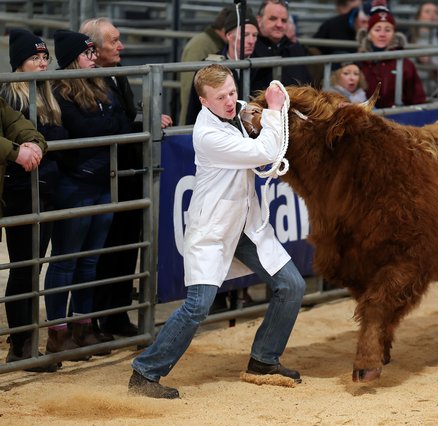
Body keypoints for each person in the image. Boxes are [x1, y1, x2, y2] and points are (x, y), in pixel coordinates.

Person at [128, 64, 306, 399]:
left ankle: (264, 359)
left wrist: (262, 113)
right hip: (212, 229)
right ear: (203, 101)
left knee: (292, 285)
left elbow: (257, 126)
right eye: (220, 97)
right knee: (198, 306)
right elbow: (264, 152)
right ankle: (145, 373)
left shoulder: (238, 111)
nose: (229, 100)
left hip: (246, 225)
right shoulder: (207, 135)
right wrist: (274, 111)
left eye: (232, 92)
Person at [79, 17, 172, 338]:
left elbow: (123, 116)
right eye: (114, 41)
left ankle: (117, 316)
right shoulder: (85, 80)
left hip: (127, 173)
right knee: (100, 253)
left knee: (126, 247)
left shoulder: (116, 74)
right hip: (100, 177)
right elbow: (109, 125)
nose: (121, 46)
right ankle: (91, 320)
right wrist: (138, 123)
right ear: (93, 47)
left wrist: (145, 118)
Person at [43, 30, 132, 357]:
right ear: (71, 60)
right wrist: (102, 129)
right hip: (75, 182)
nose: (93, 57)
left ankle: (83, 324)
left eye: (94, 51)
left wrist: (101, 129)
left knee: (90, 259)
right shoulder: (59, 91)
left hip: (99, 180)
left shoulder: (100, 84)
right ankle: (57, 330)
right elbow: (81, 129)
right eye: (87, 53)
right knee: (66, 259)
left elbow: (121, 123)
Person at [0, 29, 52, 371]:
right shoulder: (11, 93)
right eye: (34, 57)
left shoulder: (46, 92)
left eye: (44, 57)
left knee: (32, 265)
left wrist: (33, 145)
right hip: (16, 189)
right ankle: (20, 343)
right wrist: (19, 152)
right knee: (23, 266)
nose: (42, 63)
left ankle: (25, 341)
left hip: (39, 185)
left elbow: (28, 131)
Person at [184, 6, 259, 125]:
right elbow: (194, 111)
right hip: (219, 133)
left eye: (254, 35)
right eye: (245, 35)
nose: (251, 41)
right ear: (229, 35)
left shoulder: (264, 64)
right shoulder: (208, 67)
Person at [357, 2, 427, 108]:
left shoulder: (406, 65)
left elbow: (418, 99)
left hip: (397, 120)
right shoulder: (358, 62)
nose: (382, 34)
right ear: (369, 34)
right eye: (377, 29)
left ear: (394, 34)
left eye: (388, 30)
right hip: (364, 120)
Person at [179, 6, 232, 125]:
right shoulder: (200, 46)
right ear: (226, 30)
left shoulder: (214, 43)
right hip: (198, 120)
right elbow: (190, 88)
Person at [250, 0, 312, 93]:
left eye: (284, 20)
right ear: (259, 20)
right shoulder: (250, 48)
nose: (279, 25)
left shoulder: (295, 48)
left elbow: (309, 85)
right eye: (273, 18)